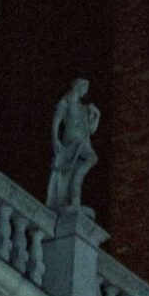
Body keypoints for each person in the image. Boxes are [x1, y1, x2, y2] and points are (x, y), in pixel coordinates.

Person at [47, 79, 100, 212]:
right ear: (78, 86)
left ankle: (74, 200)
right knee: (89, 159)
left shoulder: (83, 108)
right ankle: (73, 199)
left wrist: (97, 114)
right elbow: (57, 118)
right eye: (83, 88)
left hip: (82, 141)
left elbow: (91, 129)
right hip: (72, 141)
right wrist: (55, 138)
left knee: (83, 166)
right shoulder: (67, 101)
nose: (84, 92)